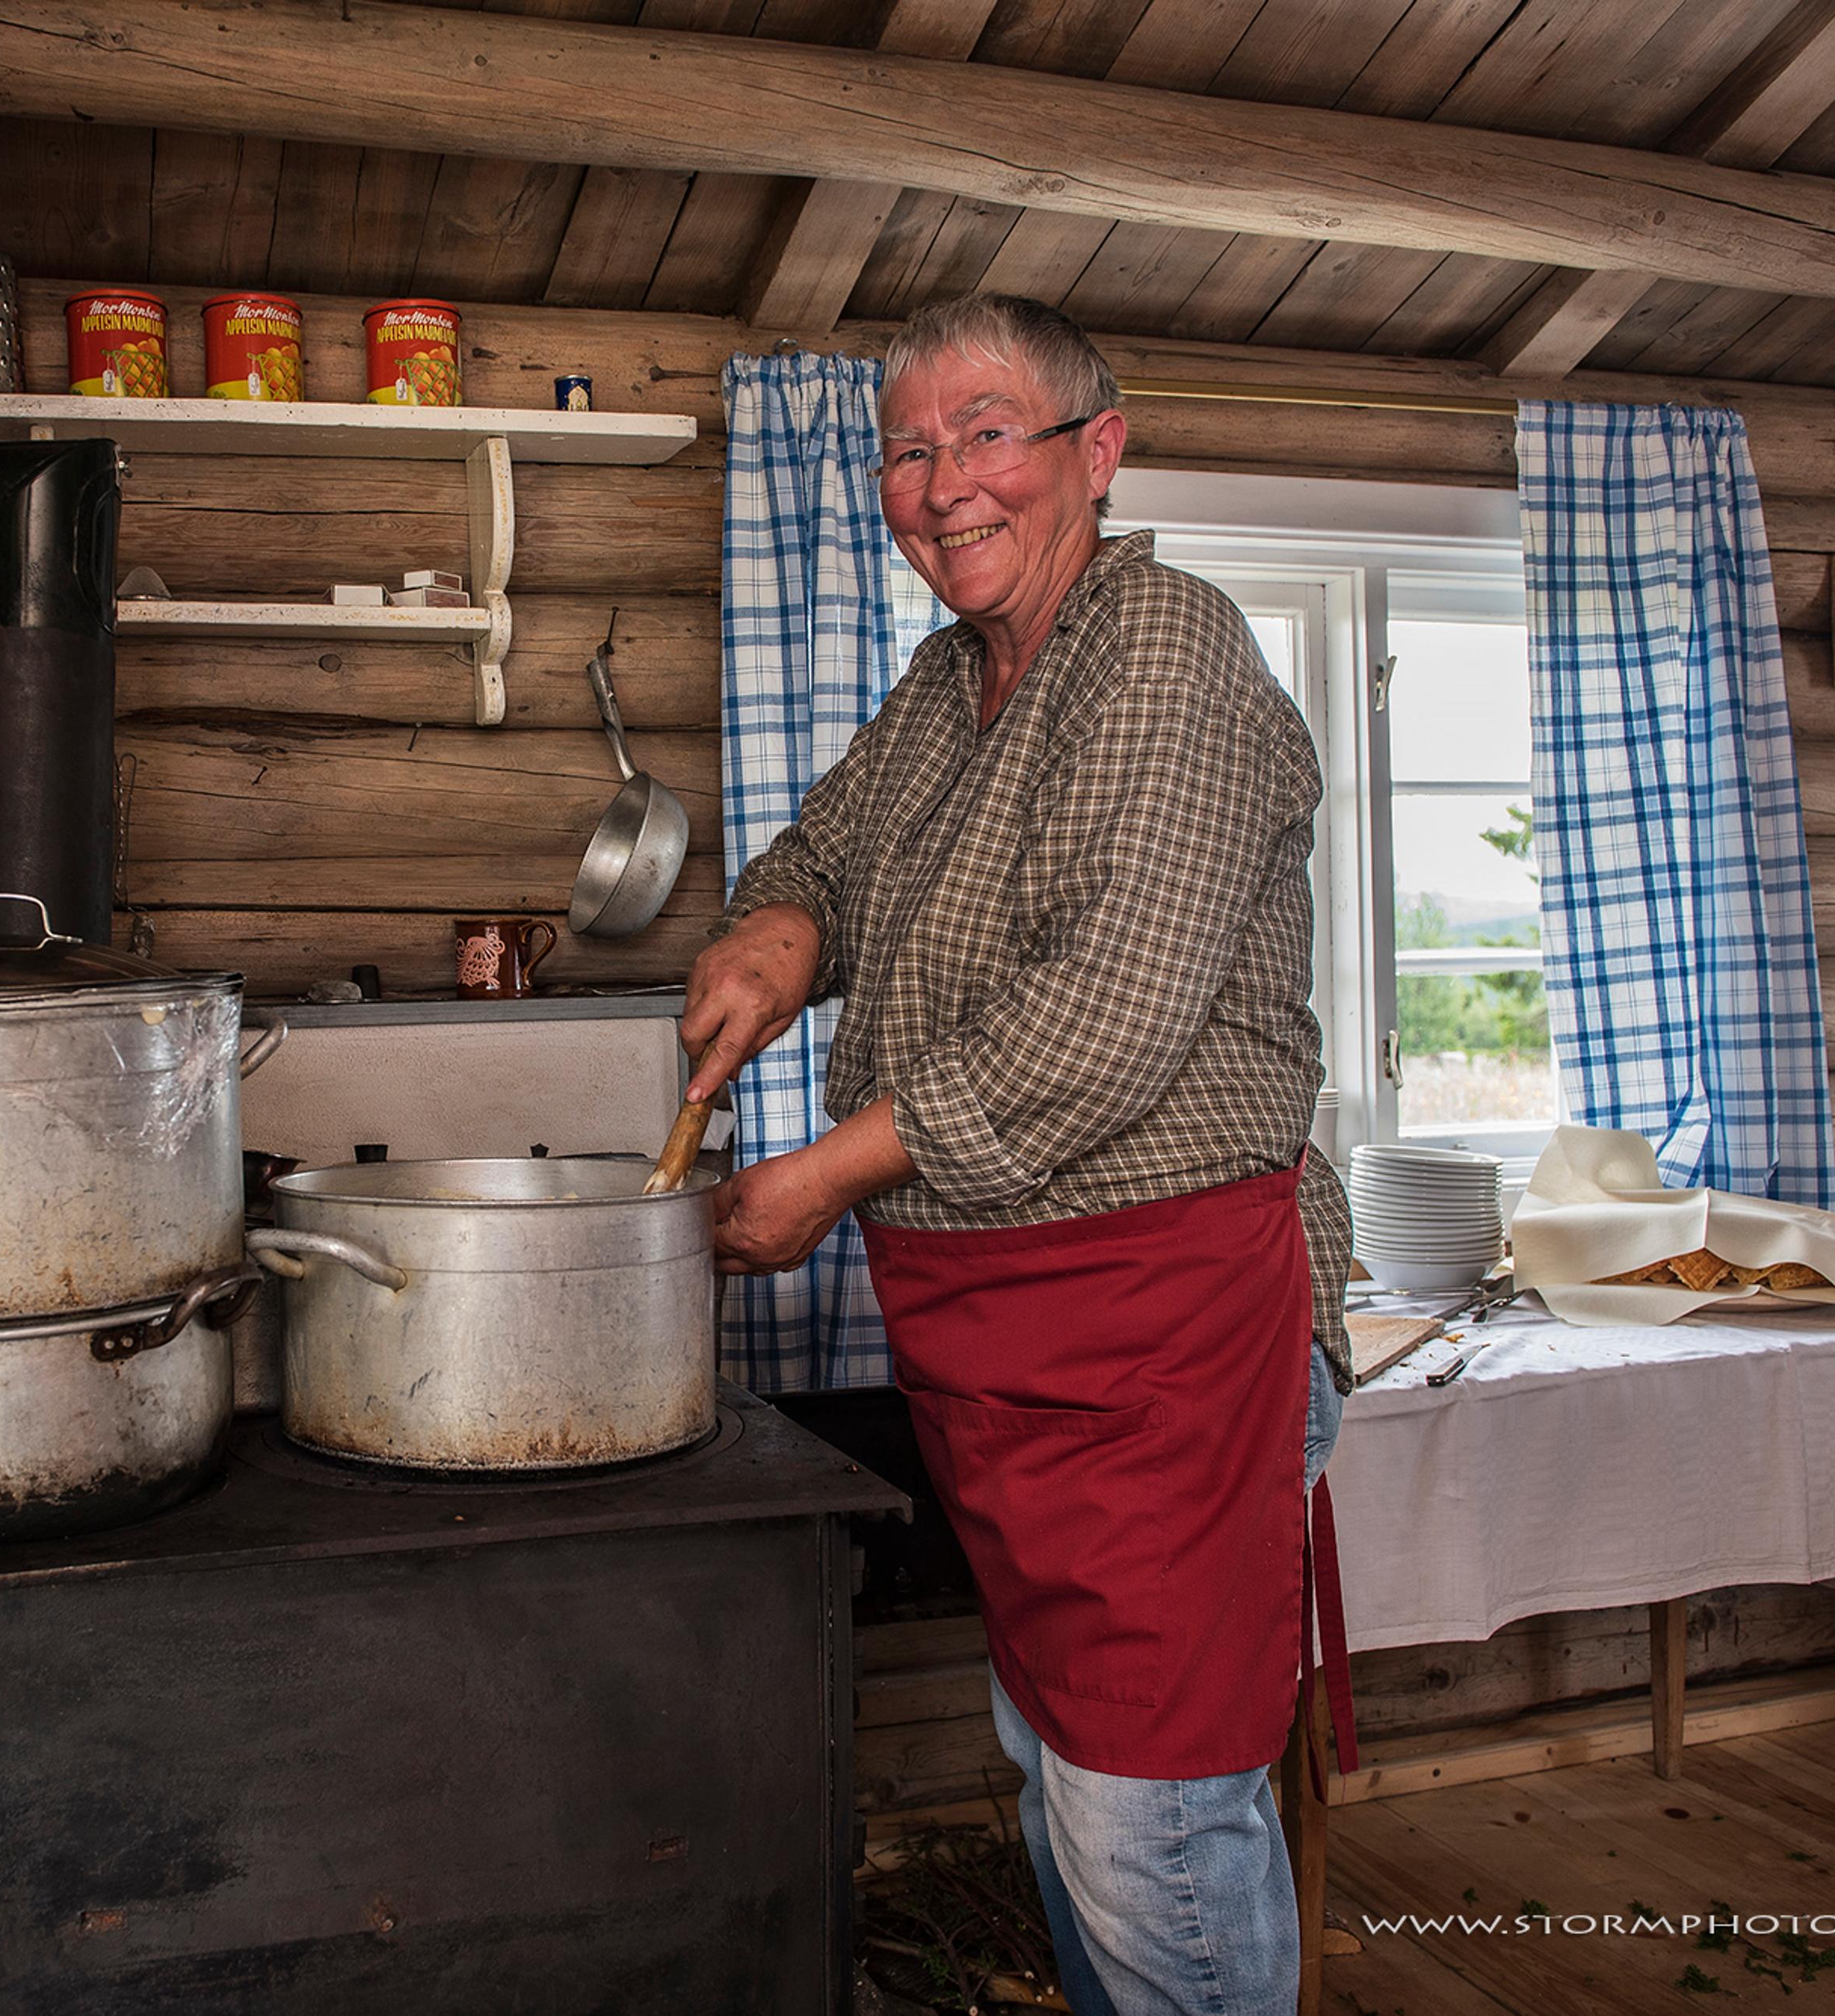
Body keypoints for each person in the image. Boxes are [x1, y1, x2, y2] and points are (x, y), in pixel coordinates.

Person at [681, 294, 1353, 2016]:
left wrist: (830, 1172)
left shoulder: (1168, 649)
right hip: (1005, 1339)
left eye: (985, 433)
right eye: (907, 449)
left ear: (1096, 452)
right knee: (1063, 1771)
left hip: (1168, 1327)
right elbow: (826, 848)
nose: (940, 483)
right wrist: (774, 936)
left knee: (1148, 1808)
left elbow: (1110, 1016)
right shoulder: (946, 681)